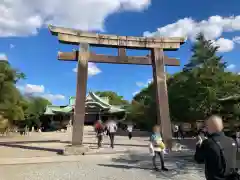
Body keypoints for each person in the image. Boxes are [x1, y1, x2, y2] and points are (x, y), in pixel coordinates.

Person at [194, 115, 239, 180]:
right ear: (222, 126)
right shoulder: (232, 141)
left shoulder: (208, 143)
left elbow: (198, 159)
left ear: (208, 127)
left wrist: (199, 144)